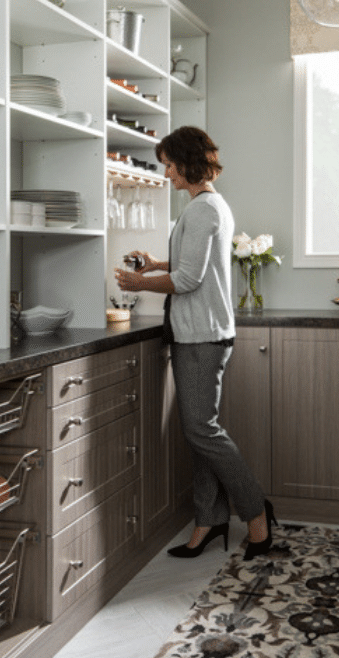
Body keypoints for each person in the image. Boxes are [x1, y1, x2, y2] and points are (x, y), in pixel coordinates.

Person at [114, 126, 276, 561]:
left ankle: (256, 514)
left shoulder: (203, 210)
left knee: (201, 430)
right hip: (202, 334)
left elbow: (189, 279)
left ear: (187, 163)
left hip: (202, 337)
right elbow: (193, 262)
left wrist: (138, 282)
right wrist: (156, 264)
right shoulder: (207, 207)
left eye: (169, 164)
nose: (166, 173)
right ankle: (209, 519)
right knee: (202, 432)